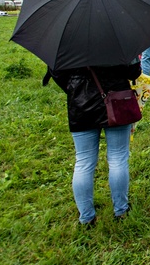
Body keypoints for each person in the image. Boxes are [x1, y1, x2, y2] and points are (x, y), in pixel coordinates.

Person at [47, 62, 142, 225]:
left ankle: (86, 217)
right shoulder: (117, 37)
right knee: (118, 158)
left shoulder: (66, 40)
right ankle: (121, 210)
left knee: (84, 161)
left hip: (80, 102)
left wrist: (75, 88)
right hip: (117, 98)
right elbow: (133, 71)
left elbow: (56, 72)